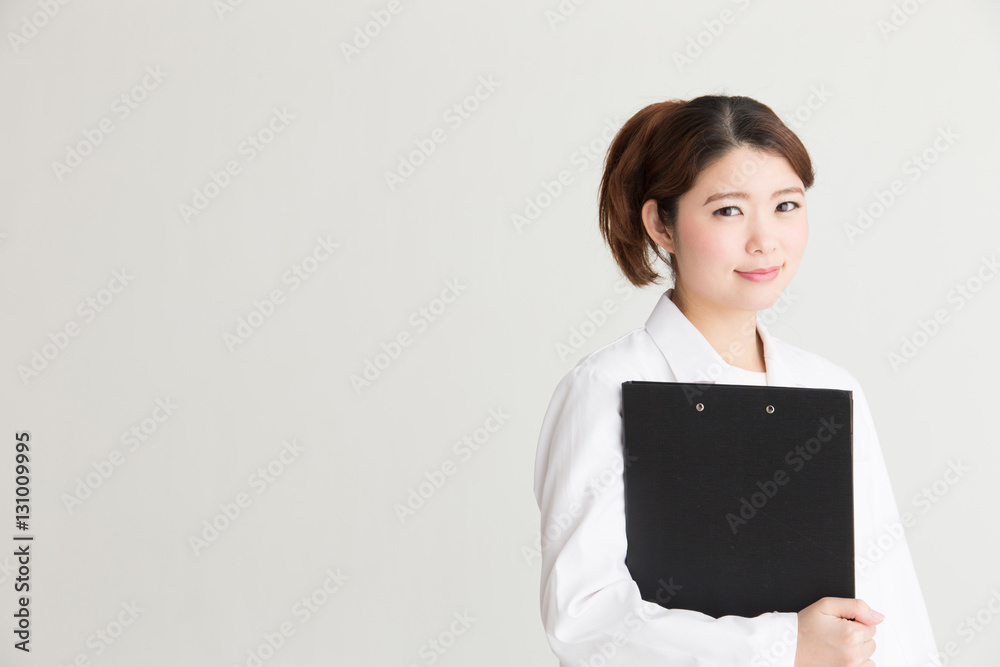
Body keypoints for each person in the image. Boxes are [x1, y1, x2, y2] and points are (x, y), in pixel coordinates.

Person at [533, 95, 938, 666]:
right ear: (661, 225)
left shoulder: (827, 386)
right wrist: (784, 645)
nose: (764, 240)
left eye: (786, 205)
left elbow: (886, 592)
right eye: (728, 211)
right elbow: (585, 621)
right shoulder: (607, 388)